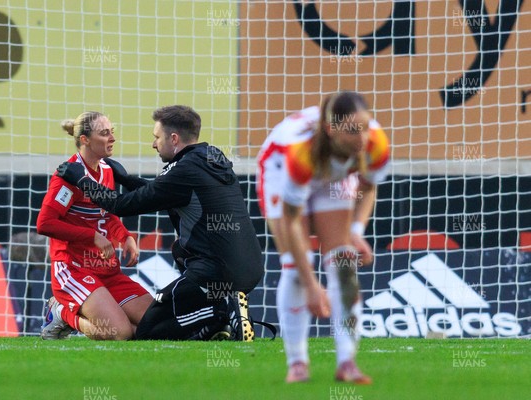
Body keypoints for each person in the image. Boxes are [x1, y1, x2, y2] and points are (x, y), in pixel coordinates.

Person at [56, 105, 264, 341]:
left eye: (157, 138)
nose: (154, 144)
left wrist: (82, 179)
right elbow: (162, 192)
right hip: (250, 269)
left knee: (149, 331)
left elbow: (124, 205)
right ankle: (218, 324)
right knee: (178, 294)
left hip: (215, 273)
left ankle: (223, 313)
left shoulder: (183, 170)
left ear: (173, 139)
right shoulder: (211, 157)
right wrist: (127, 179)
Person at [256, 91, 389, 384]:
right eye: (354, 130)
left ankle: (347, 363)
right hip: (280, 168)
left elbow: (368, 187)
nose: (363, 137)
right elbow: (291, 222)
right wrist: (312, 286)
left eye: (366, 127)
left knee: (343, 263)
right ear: (331, 130)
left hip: (333, 177)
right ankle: (298, 363)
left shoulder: (376, 144)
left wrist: (356, 233)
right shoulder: (300, 153)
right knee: (295, 266)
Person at [36, 111, 153, 340]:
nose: (112, 138)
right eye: (104, 133)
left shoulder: (107, 170)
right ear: (84, 140)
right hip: (74, 269)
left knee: (153, 325)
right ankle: (61, 313)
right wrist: (92, 237)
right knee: (120, 334)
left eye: (112, 132)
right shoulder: (68, 176)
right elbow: (45, 223)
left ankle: (101, 314)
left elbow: (106, 213)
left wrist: (125, 235)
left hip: (106, 269)